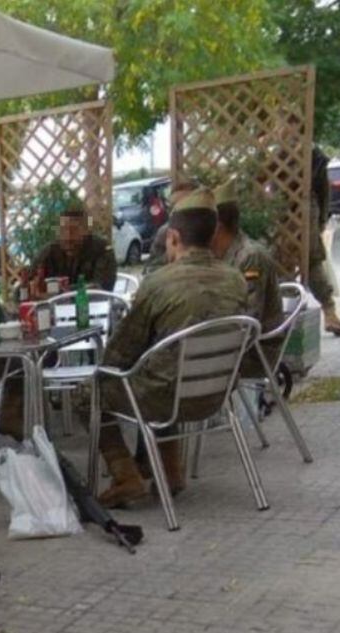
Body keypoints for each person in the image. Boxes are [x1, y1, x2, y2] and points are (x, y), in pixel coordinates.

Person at [92, 188, 248, 508]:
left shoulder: (158, 283)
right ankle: (170, 472)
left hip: (167, 396)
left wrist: (101, 370)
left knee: (93, 390)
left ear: (173, 237)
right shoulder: (236, 279)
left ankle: (126, 477)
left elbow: (121, 353)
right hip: (217, 395)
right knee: (166, 369)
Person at [211, 178, 285, 373]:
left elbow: (249, 320)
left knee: (183, 369)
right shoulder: (219, 255)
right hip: (232, 349)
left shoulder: (250, 257)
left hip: (256, 353)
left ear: (216, 226)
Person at [29, 207, 117, 293]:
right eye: (63, 230)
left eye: (74, 230)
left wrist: (57, 289)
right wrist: (33, 285)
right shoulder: (49, 252)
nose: (68, 236)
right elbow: (26, 285)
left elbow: (101, 288)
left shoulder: (102, 250)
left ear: (86, 231)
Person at [309, 147, 340, 336]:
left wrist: (321, 219)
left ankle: (330, 313)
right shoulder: (313, 155)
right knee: (311, 264)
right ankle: (329, 313)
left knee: (312, 263)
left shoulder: (313, 156)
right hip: (303, 214)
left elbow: (323, 190)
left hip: (303, 215)